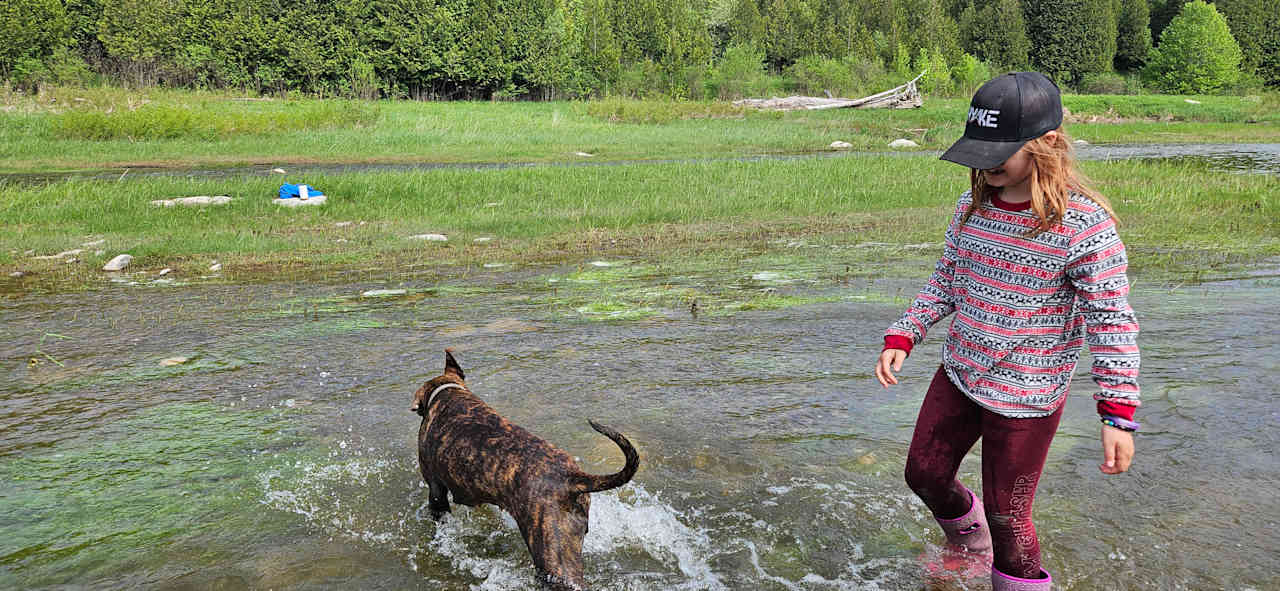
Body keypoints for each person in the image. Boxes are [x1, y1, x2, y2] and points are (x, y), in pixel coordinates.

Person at [873, 72, 1140, 590]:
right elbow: (947, 281)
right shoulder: (971, 210)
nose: (986, 161)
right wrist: (904, 334)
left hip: (1026, 397)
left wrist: (1118, 413)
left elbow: (1111, 323)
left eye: (1000, 149)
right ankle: (969, 544)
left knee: (1009, 518)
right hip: (961, 374)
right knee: (923, 474)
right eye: (979, 148)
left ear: (1048, 143)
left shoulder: (1083, 225)